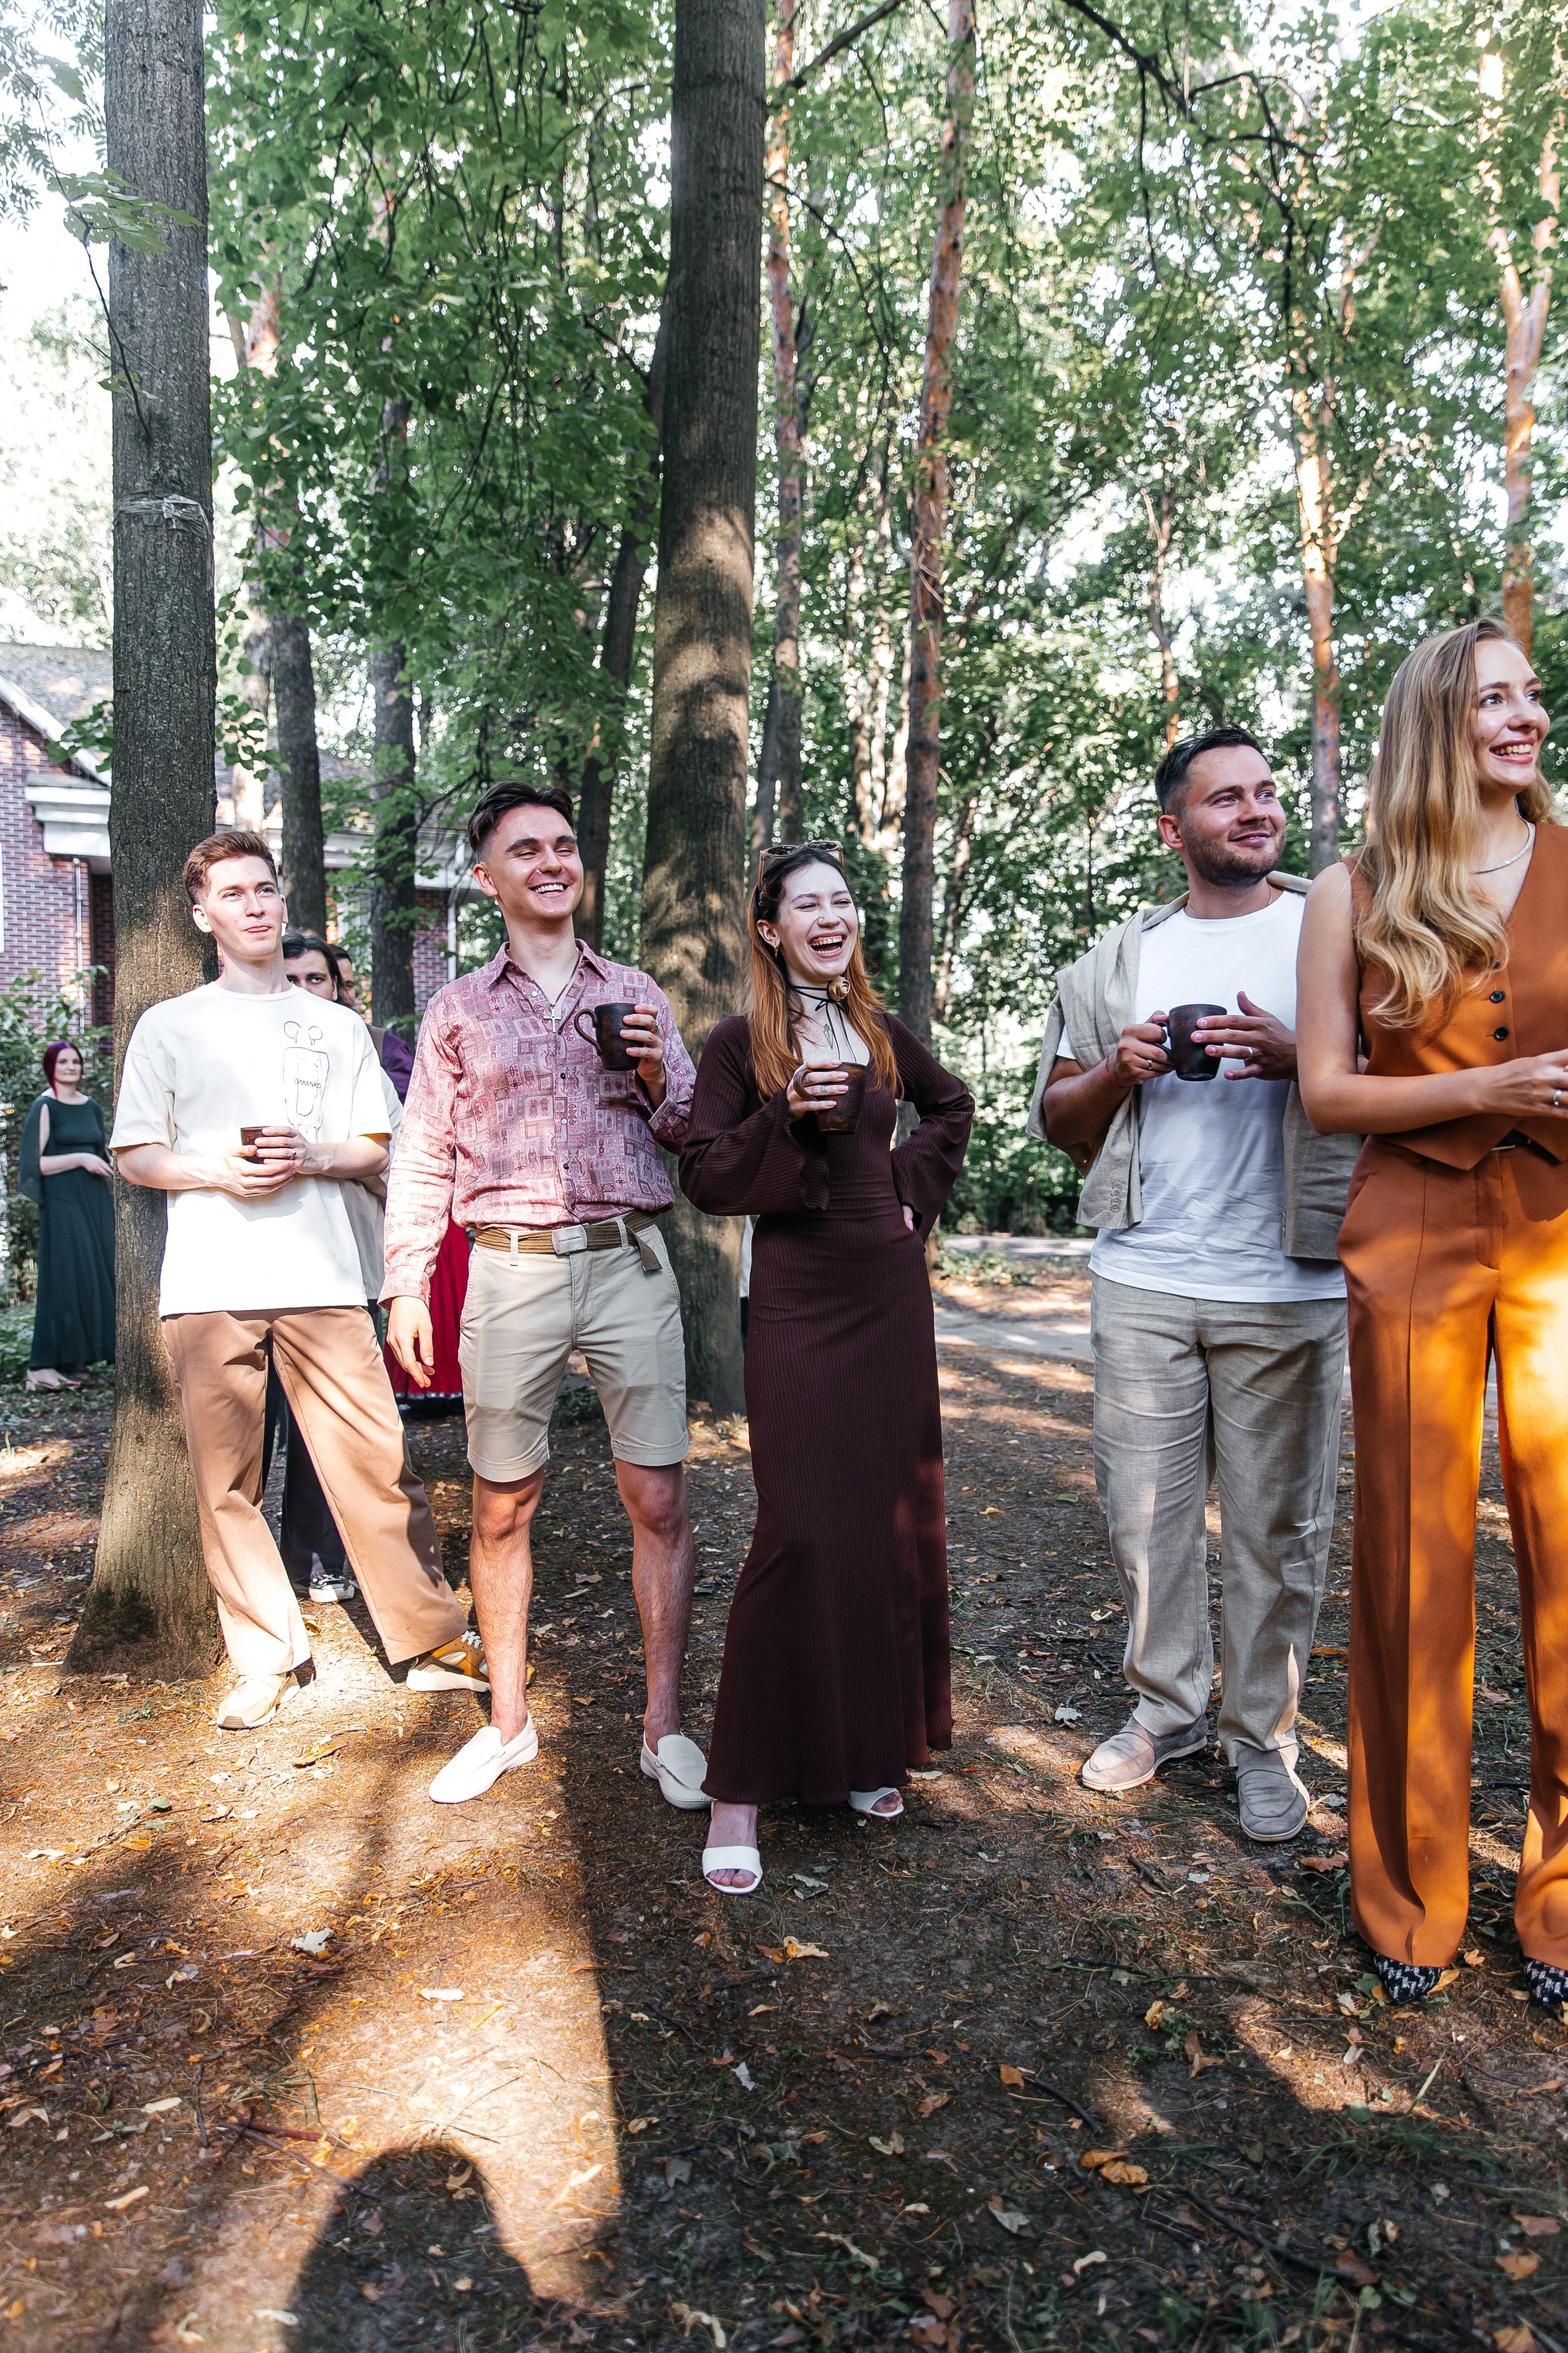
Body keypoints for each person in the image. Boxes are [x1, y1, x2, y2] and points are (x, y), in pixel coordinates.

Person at [1297, 618, 1568, 2008]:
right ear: (1435, 720)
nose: (1522, 715)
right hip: (1407, 1223)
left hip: (1562, 1234)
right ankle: (1408, 1903)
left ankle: (1561, 1905)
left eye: (1529, 693)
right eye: (1492, 699)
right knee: (1410, 1562)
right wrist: (1480, 1091)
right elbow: (1326, 1093)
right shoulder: (1354, 888)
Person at [1031, 728, 1357, 1841]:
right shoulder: (1116, 962)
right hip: (1146, 1278)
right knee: (1146, 1521)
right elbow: (1057, 1124)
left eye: (1266, 793)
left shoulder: (1340, 928)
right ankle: (1165, 1709)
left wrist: (1300, 1057)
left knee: (1281, 1528)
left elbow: (1408, 1071)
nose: (1257, 812)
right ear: (1175, 830)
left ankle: (1261, 1737)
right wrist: (1117, 1074)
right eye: (1226, 800)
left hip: (1293, 1280)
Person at [109, 828, 486, 1732]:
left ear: (283, 901)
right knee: (225, 1481)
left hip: (323, 1274)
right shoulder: (170, 1025)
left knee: (373, 1461)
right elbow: (134, 1153)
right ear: (203, 914)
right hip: (209, 1284)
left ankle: (431, 1638)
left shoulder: (336, 1024)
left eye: (265, 888)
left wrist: (312, 1156)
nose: (254, 905)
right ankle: (264, 1656)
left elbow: (377, 1144)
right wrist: (217, 1172)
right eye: (233, 893)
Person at [382, 781, 707, 1809]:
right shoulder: (460, 1008)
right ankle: (509, 1724)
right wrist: (405, 1283)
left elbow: (697, 1135)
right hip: (508, 1267)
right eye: (527, 850)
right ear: (489, 879)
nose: (552, 862)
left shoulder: (642, 994)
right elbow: (422, 1153)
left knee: (657, 1497)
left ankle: (664, 1729)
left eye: (565, 845)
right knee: (500, 1501)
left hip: (630, 1263)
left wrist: (659, 1077)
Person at [679, 842, 973, 1895]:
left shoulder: (883, 1034)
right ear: (770, 928)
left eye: (843, 900)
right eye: (808, 903)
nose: (831, 915)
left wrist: (907, 1190)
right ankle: (738, 1787)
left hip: (889, 1297)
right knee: (799, 1528)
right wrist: (784, 1117)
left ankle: (861, 1751)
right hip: (798, 1297)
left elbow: (954, 1108)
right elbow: (708, 1172)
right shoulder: (734, 1043)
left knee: (880, 1520)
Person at [19, 1040, 115, 1390]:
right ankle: (43, 1366)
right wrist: (80, 1159)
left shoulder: (90, 1107)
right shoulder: (46, 1106)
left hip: (94, 1200)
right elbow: (35, 1165)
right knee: (66, 1279)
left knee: (95, 1275)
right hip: (63, 1203)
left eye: (76, 1061)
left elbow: (100, 1152)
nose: (71, 1067)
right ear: (52, 1068)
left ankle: (81, 1362)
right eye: (63, 1062)